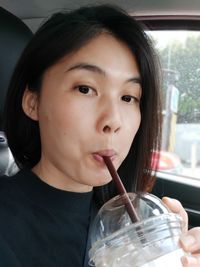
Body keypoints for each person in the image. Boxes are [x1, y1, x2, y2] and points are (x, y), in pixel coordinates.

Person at [1, 4, 200, 267]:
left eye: (128, 97)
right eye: (85, 89)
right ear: (33, 103)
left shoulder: (131, 228)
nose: (113, 121)